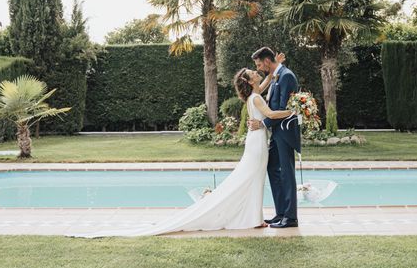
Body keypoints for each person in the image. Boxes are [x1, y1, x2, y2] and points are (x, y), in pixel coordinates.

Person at [71, 54, 291, 237]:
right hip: (257, 143)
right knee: (251, 179)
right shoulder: (256, 98)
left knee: (252, 179)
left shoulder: (254, 96)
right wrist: (294, 111)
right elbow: (271, 113)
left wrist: (275, 69)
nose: (256, 71)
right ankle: (253, 218)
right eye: (253, 72)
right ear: (250, 81)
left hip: (256, 141)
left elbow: (263, 87)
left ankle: (254, 217)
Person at [249, 47, 301, 228]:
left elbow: (280, 108)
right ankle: (281, 213)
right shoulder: (276, 75)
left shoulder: (286, 76)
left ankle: (291, 217)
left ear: (267, 61)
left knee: (287, 173)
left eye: (259, 64)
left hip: (285, 133)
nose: (258, 68)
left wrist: (263, 124)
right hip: (276, 133)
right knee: (273, 168)